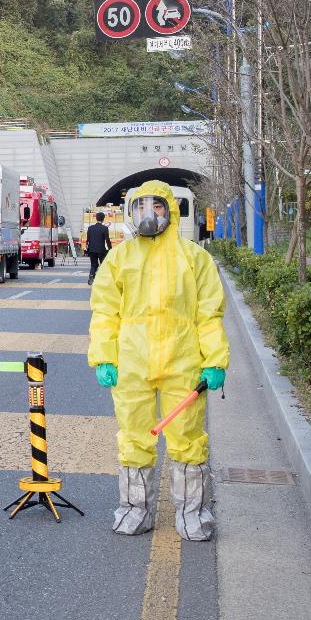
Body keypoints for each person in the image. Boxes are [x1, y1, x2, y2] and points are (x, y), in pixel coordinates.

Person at [89, 180, 229, 541]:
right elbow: (105, 312)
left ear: (171, 210)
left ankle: (192, 514)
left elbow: (209, 314)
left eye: (158, 206)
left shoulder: (194, 258)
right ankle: (135, 510)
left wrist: (215, 360)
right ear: (131, 213)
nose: (150, 214)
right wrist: (104, 357)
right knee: (134, 438)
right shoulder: (119, 258)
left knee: (188, 438)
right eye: (141, 207)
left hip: (183, 364)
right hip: (131, 365)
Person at [85, 211, 113, 285]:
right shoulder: (104, 228)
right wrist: (110, 249)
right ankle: (102, 279)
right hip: (101, 250)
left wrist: (87, 250)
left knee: (93, 265)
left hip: (92, 250)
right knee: (103, 265)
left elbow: (88, 240)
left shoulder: (90, 228)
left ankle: (91, 276)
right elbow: (107, 240)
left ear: (96, 218)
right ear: (103, 219)